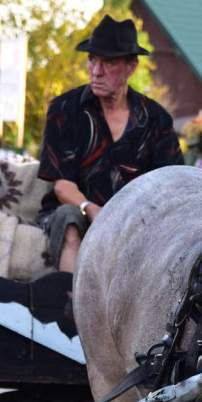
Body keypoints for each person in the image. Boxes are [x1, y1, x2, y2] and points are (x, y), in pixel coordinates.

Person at [36, 15, 183, 273]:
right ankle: (74, 307)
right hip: (77, 211)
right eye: (92, 60)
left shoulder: (156, 120)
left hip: (135, 218)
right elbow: (62, 185)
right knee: (68, 220)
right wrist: (91, 209)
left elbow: (170, 184)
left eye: (108, 62)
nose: (96, 71)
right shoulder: (64, 109)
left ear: (131, 67)